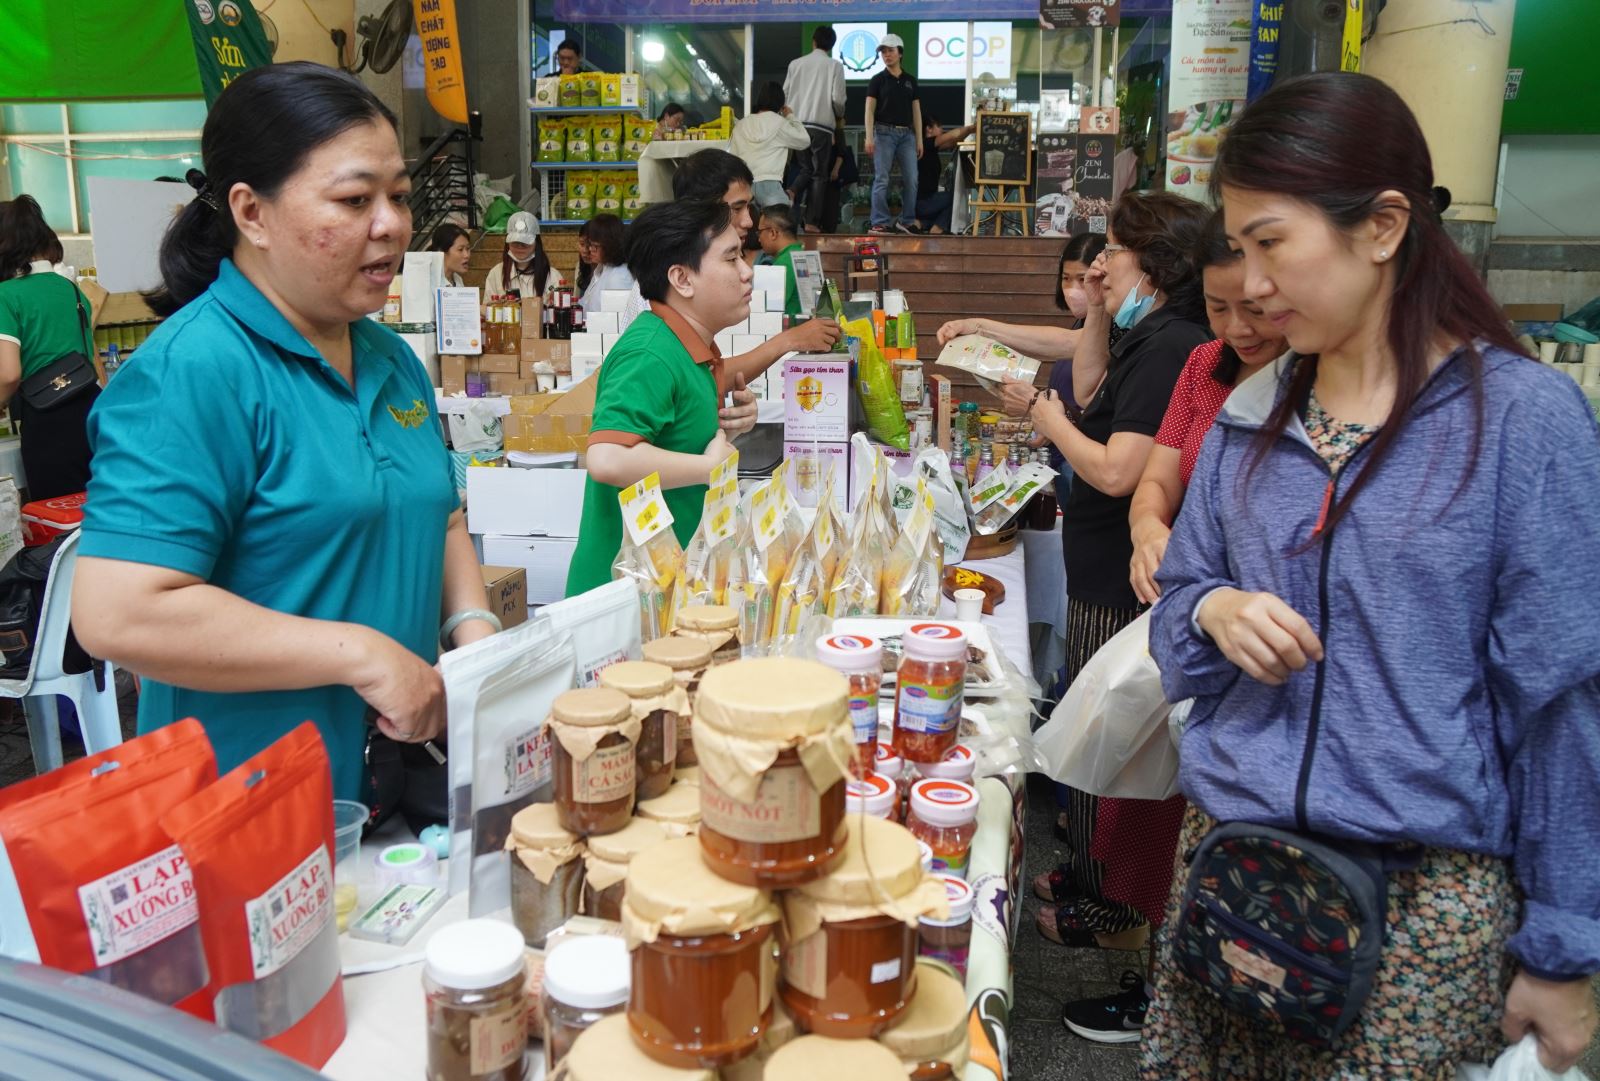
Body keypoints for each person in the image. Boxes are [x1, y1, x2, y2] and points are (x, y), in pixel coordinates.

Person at [1145, 72, 1600, 1079]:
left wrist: (1565, 949)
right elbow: (1175, 612)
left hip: (1419, 918)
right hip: (1230, 876)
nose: (1249, 280)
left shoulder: (1522, 426)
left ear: (1383, 225)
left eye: (1271, 242)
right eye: (1239, 245)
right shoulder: (1247, 416)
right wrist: (1212, 607)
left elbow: (1563, 707)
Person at [71, 62, 493, 801]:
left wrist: (474, 630)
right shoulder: (195, 371)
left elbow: (440, 510)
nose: (392, 223)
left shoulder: (392, 360)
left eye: (397, 195)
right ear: (251, 213)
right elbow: (119, 609)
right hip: (250, 801)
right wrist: (359, 654)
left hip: (396, 781)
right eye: (355, 198)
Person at [1039, 210, 1293, 1045]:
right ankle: (1152, 982)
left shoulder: (1313, 387)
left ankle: (1165, 983)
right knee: (1149, 816)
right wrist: (1155, 531)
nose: (1237, 328)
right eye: (1221, 307)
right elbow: (1154, 482)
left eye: (1254, 308)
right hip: (1181, 627)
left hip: (1251, 673)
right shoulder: (1200, 364)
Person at [1028, 193, 1212, 966]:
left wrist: (1047, 420)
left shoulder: (1178, 346)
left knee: (1113, 739)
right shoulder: (1156, 337)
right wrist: (1100, 308)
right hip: (1110, 557)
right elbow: (1096, 385)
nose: (1100, 266)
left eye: (1112, 252)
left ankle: (1113, 907)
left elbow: (1121, 468)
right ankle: (1093, 876)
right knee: (1090, 722)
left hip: (1123, 579)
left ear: (1160, 265)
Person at [565, 199, 754, 597]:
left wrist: (724, 434)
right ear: (682, 279)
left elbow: (667, 444)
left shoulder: (690, 348)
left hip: (662, 588)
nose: (747, 272)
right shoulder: (650, 352)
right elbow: (608, 458)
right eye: (732, 258)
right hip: (621, 601)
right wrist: (708, 467)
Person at [622, 149, 841, 370]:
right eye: (737, 208)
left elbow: (703, 375)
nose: (748, 221)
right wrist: (787, 341)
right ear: (681, 279)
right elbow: (683, 374)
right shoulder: (650, 335)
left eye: (749, 206)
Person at [0, 195, 99, 500]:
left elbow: (8, 374)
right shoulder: (70, 288)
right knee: (89, 512)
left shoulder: (6, 295)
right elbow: (92, 358)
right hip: (90, 410)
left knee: (55, 522)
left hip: (48, 421)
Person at [784, 25, 846, 234]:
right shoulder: (834, 66)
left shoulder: (795, 64)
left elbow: (785, 93)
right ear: (831, 46)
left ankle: (792, 190)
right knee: (819, 174)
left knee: (804, 168)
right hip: (821, 127)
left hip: (797, 124)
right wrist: (839, 113)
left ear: (813, 41)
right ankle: (811, 222)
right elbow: (838, 99)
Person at [864, 34, 922, 235]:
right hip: (883, 132)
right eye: (883, 51)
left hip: (907, 135)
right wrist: (869, 136)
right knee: (882, 178)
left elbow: (916, 112)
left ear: (900, 53)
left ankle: (907, 221)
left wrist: (919, 139)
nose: (886, 55)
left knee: (912, 178)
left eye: (890, 50)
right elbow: (869, 110)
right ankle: (879, 221)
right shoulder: (877, 80)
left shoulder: (910, 81)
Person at [728, 82, 812, 209]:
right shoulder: (781, 124)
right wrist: (790, 116)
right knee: (780, 224)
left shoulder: (741, 125)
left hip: (744, 184)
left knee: (747, 226)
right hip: (770, 183)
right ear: (780, 103)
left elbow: (733, 157)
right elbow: (804, 140)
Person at [483, 211, 565, 300]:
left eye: (525, 242)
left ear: (536, 243)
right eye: (515, 242)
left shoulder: (552, 276)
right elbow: (486, 310)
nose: (520, 246)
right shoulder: (496, 274)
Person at [915, 115, 974, 235]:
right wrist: (971, 128)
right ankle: (937, 227)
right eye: (939, 127)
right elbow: (951, 135)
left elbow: (954, 141)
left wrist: (968, 131)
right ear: (929, 129)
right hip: (923, 202)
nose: (941, 130)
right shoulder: (926, 144)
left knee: (949, 200)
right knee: (954, 197)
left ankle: (922, 223)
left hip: (925, 201)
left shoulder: (932, 148)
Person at [577, 213, 633, 314]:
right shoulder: (602, 268)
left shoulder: (619, 276)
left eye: (595, 246)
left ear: (609, 246)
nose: (590, 249)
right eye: (590, 244)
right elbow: (585, 304)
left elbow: (616, 322)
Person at [756, 203, 803, 318]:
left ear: (773, 233)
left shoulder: (783, 264)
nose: (758, 238)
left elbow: (768, 310)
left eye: (760, 232)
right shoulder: (800, 254)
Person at [429, 222, 471, 287]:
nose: (466, 255)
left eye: (468, 249)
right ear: (441, 251)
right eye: (460, 249)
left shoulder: (458, 280)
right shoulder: (428, 282)